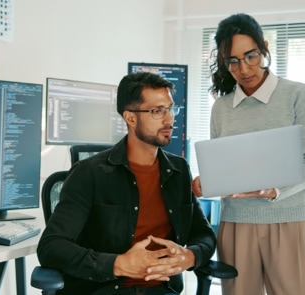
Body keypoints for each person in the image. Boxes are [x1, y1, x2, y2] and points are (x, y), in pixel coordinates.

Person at [37, 71, 216, 295]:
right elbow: (51, 247)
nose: (169, 119)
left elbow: (204, 235)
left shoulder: (179, 171)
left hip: (163, 290)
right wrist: (119, 264)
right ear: (130, 118)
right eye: (157, 111)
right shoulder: (89, 173)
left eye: (170, 109)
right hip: (105, 290)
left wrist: (191, 257)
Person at [191, 13, 305, 295]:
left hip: (289, 222)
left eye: (251, 56)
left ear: (264, 48)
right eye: (233, 61)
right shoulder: (222, 108)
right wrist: (208, 182)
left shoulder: (299, 95)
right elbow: (225, 164)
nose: (244, 68)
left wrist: (274, 189)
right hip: (237, 225)